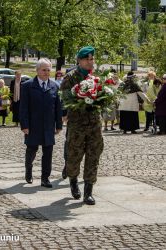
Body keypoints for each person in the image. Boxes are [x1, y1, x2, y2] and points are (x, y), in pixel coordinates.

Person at [60, 45, 103, 205]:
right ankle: (73, 182)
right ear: (80, 60)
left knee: (94, 155)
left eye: (92, 59)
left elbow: (102, 95)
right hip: (77, 124)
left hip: (94, 124)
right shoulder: (71, 77)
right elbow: (64, 98)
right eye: (88, 59)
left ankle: (88, 192)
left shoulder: (96, 77)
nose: (91, 62)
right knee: (74, 155)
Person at [20, 58, 62, 188]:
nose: (46, 72)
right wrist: (24, 125)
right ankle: (28, 169)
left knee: (48, 151)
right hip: (33, 124)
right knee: (32, 149)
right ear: (37, 70)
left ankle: (45, 178)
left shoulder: (55, 86)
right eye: (44, 70)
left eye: (48, 70)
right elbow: (23, 107)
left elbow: (58, 107)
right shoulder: (27, 86)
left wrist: (59, 125)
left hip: (48, 125)